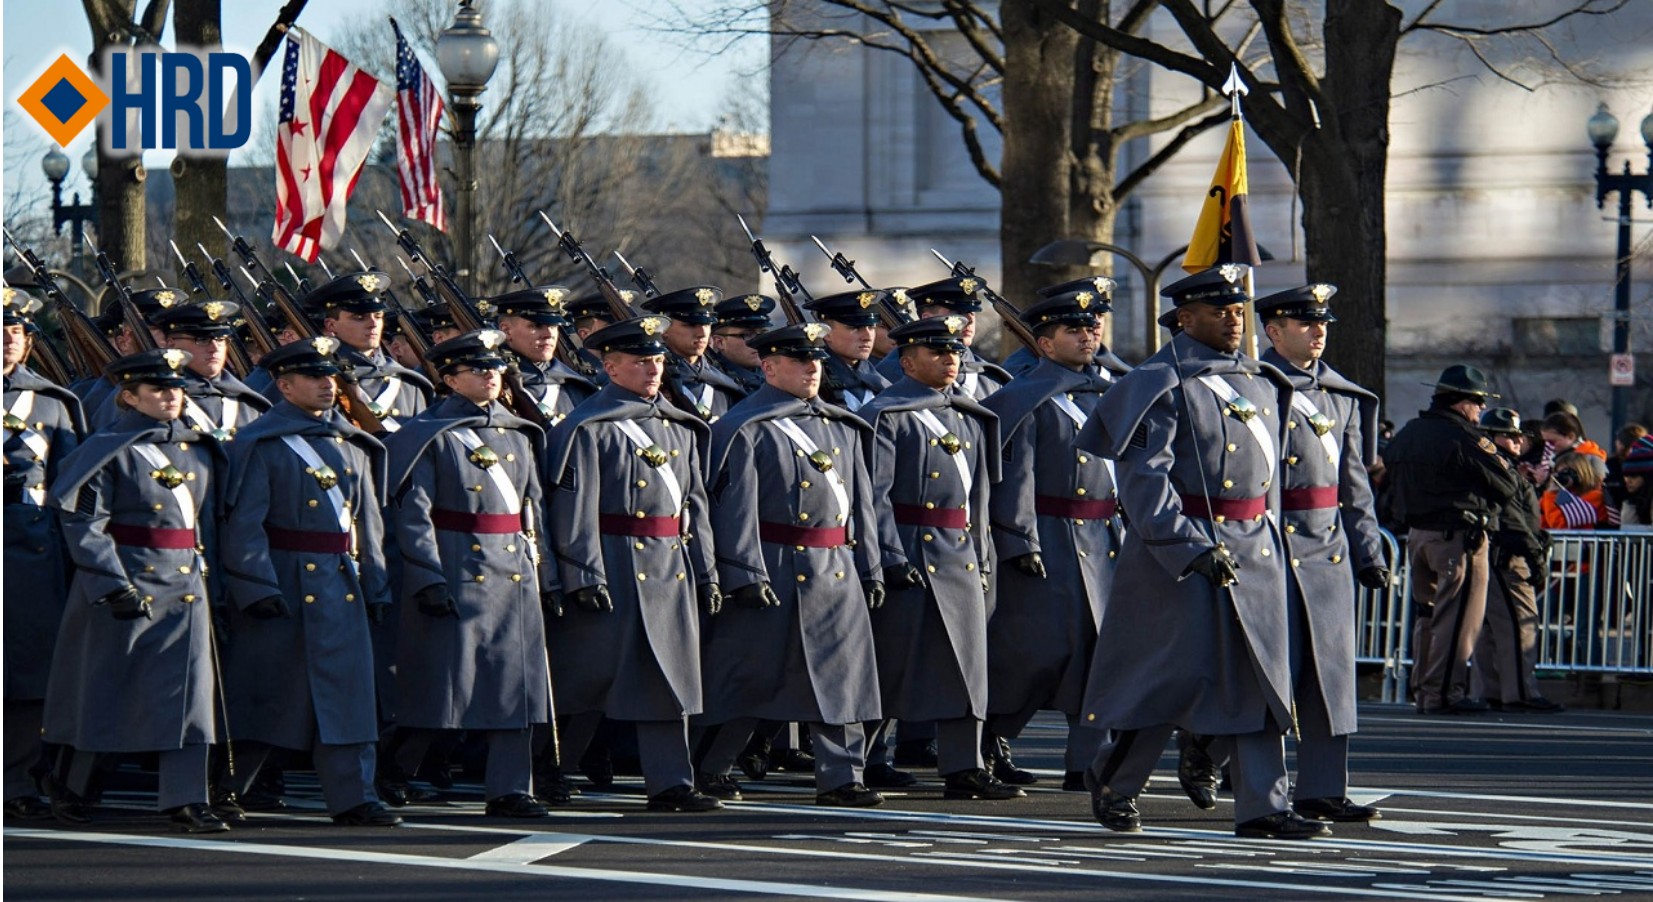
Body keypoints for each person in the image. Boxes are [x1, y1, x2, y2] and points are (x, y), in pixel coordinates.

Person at [1072, 264, 1315, 840]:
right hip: (1177, 558)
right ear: (1185, 318)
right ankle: (1115, 778)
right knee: (1166, 679)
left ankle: (1263, 806)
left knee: (1262, 678)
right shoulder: (1159, 382)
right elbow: (1143, 481)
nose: (1234, 321)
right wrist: (1186, 546)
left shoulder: (1260, 381)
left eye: (1238, 311)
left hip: (1254, 549)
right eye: (1219, 312)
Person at [694, 322, 886, 807]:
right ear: (770, 366)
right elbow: (734, 509)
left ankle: (843, 777)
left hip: (837, 564)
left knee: (844, 678)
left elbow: (861, 504)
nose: (812, 369)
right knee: (752, 678)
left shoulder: (841, 423)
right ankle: (710, 765)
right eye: (801, 362)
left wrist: (871, 566)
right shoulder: (745, 427)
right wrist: (743, 572)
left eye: (816, 361)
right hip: (777, 566)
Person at [217, 337, 403, 826]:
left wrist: (378, 586)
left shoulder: (354, 442)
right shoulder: (262, 443)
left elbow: (369, 524)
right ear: (283, 385)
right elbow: (245, 526)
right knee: (268, 695)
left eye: (331, 377)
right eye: (314, 377)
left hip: (342, 582)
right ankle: (226, 787)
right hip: (282, 580)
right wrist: (256, 587)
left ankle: (355, 796)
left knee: (349, 698)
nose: (327, 384)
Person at [543, 315, 724, 813]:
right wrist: (582, 574)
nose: (652, 369)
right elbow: (575, 511)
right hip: (614, 563)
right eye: (640, 361)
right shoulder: (588, 426)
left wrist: (706, 571)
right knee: (591, 675)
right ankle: (552, 766)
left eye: (658, 359)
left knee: (670, 675)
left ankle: (671, 782)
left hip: (670, 562)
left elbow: (695, 505)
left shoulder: (679, 425)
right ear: (609, 365)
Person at [43, 349, 228, 833]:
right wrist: (111, 584)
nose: (172, 396)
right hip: (128, 584)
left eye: (177, 388)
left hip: (187, 585)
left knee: (190, 696)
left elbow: (207, 524)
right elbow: (84, 521)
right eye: (160, 390)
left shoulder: (199, 447)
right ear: (129, 397)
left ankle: (187, 799)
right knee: (104, 692)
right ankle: (72, 787)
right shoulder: (107, 449)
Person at [383, 330, 556, 818]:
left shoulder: (520, 432)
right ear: (450, 377)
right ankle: (397, 764)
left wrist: (551, 577)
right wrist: (429, 577)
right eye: (477, 369)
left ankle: (510, 788)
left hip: (514, 571)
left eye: (495, 368)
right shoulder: (427, 434)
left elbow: (533, 512)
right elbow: (414, 516)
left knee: (515, 688)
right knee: (442, 687)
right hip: (458, 567)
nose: (489, 376)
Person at [860, 315, 1022, 801]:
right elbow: (875, 496)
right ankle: (864, 759)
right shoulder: (886, 414)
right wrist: (889, 554)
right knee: (894, 662)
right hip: (909, 549)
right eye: (936, 352)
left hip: (960, 554)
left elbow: (980, 499)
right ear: (907, 362)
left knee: (967, 666)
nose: (950, 359)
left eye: (953, 351)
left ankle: (965, 765)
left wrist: (984, 554)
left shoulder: (970, 414)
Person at [1242, 283, 1388, 823]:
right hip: (1272, 545)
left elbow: (1354, 485)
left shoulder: (1342, 395)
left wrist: (1368, 549)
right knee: (1272, 677)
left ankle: (1323, 787)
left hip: (1327, 550)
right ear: (1273, 332)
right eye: (1304, 323)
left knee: (1330, 677)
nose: (1318, 331)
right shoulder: (1256, 389)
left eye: (1322, 322)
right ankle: (1249, 781)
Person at [978, 282, 1120, 791]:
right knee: (1035, 653)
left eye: (1092, 326)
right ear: (1043, 342)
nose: (1087, 335)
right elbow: (1015, 475)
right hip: (1049, 538)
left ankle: (1088, 762)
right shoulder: (1025, 397)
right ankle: (990, 733)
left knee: (1101, 654)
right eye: (1073, 329)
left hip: (1104, 538)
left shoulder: (1109, 391)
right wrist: (1019, 541)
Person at [1385, 364, 1520, 716]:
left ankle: (1425, 691)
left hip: (1417, 537)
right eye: (1477, 403)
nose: (1480, 411)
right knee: (1459, 618)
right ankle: (1446, 693)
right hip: (1458, 537)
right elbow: (1508, 484)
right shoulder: (1466, 438)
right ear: (1461, 403)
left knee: (1426, 616)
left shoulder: (1408, 433)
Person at [3, 288, 85, 820]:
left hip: (30, 555)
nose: (6, 341)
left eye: (14, 332)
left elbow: (73, 487)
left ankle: (15, 778)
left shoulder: (53, 403)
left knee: (28, 674)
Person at [1472, 408, 1563, 713]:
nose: (1517, 440)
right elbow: (1512, 519)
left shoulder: (1497, 466)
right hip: (1507, 557)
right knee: (1518, 624)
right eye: (1508, 435)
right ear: (1490, 437)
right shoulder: (1499, 468)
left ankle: (1493, 690)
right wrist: (1534, 553)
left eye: (1517, 435)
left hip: (1496, 554)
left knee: (1490, 628)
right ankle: (1520, 691)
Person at [304, 271, 433, 434]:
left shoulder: (410, 383)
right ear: (331, 325)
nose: (373, 324)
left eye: (378, 316)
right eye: (359, 317)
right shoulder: (317, 379)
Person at [877, 277, 1011, 400]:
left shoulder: (991, 378)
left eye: (971, 312)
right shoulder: (887, 374)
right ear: (927, 318)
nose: (969, 320)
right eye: (958, 313)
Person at [492, 285, 597, 428]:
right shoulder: (492, 384)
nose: (549, 334)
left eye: (553, 326)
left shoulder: (576, 386)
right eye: (536, 326)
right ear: (506, 330)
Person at [640, 285, 745, 423]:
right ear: (664, 330)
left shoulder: (724, 384)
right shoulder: (649, 380)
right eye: (690, 325)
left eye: (707, 324)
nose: (702, 333)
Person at [805, 290, 893, 412]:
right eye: (855, 328)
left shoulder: (880, 383)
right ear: (827, 334)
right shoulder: (812, 382)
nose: (867, 336)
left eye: (871, 327)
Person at [707, 294, 775, 396]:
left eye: (762, 333)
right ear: (719, 342)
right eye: (747, 335)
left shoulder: (774, 376)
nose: (758, 341)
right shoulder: (713, 383)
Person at [1539, 451, 1611, 529]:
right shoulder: (1558, 495)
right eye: (1559, 473)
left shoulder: (1596, 496)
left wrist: (1551, 495)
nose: (1562, 477)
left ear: (1581, 472)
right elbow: (1539, 522)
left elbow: (1560, 524)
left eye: (1567, 472)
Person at [1619, 434, 1653, 526]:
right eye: (1626, 475)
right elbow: (1628, 531)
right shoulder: (1631, 499)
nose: (1627, 480)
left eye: (1633, 476)